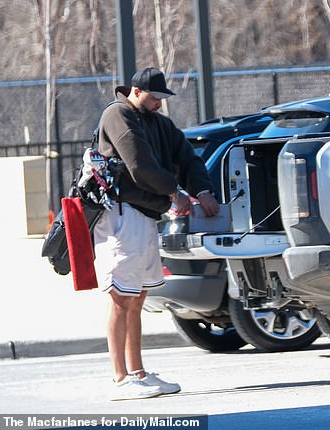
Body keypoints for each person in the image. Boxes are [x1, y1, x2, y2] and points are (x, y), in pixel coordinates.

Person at [94, 67, 219, 400]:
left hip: (146, 214)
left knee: (137, 297)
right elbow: (139, 164)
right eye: (154, 98)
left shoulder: (159, 123)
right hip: (121, 215)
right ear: (136, 92)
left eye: (163, 99)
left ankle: (138, 372)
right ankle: (121, 378)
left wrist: (202, 189)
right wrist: (174, 192)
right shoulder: (117, 113)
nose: (159, 105)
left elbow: (187, 157)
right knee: (121, 297)